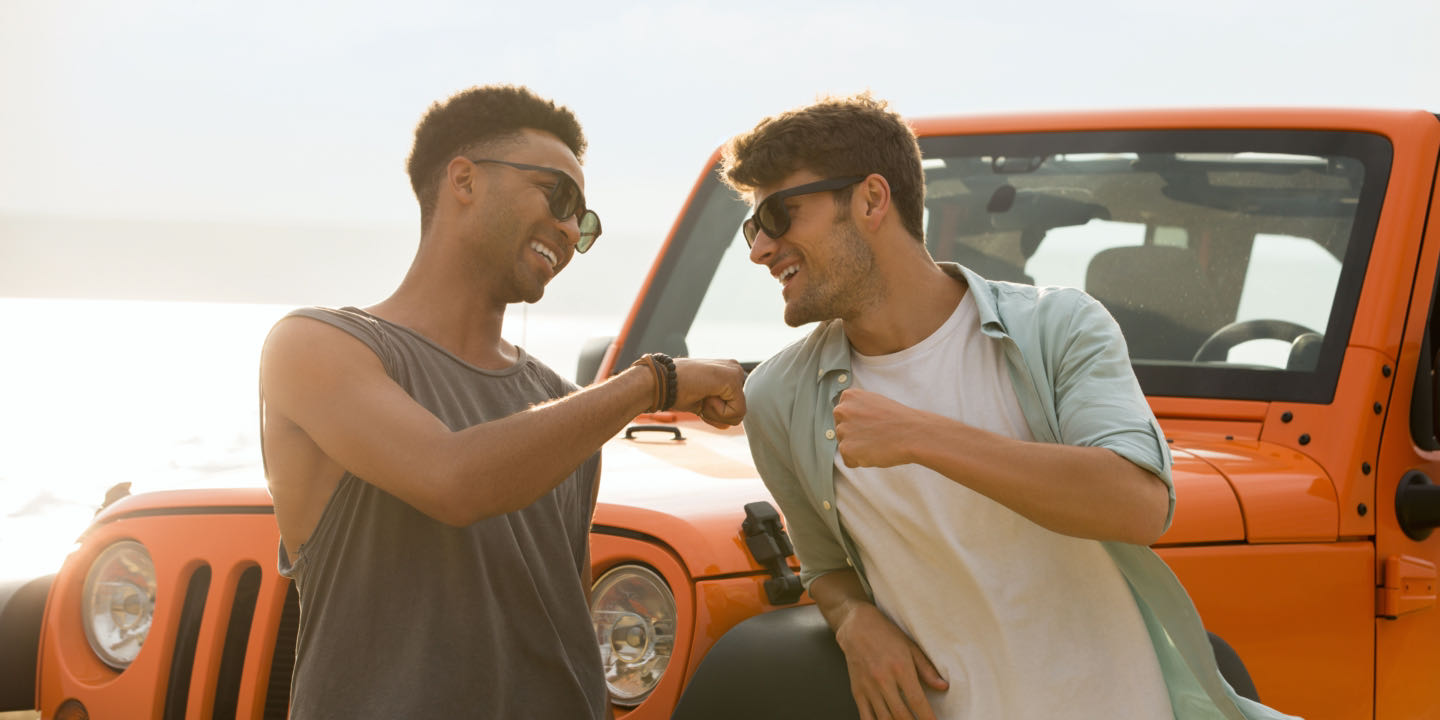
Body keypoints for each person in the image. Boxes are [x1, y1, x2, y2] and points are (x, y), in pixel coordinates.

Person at [725, 95, 1298, 720]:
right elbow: (825, 567)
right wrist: (852, 619)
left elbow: (1138, 504)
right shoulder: (778, 399)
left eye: (780, 215)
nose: (760, 248)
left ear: (870, 200)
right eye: (752, 227)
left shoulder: (1058, 327)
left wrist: (922, 437)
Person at [258, 85, 746, 718]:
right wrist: (652, 383)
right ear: (464, 180)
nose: (571, 230)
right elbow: (452, 479)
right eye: (560, 198)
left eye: (584, 220)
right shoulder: (317, 345)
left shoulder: (560, 404)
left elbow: (562, 616)